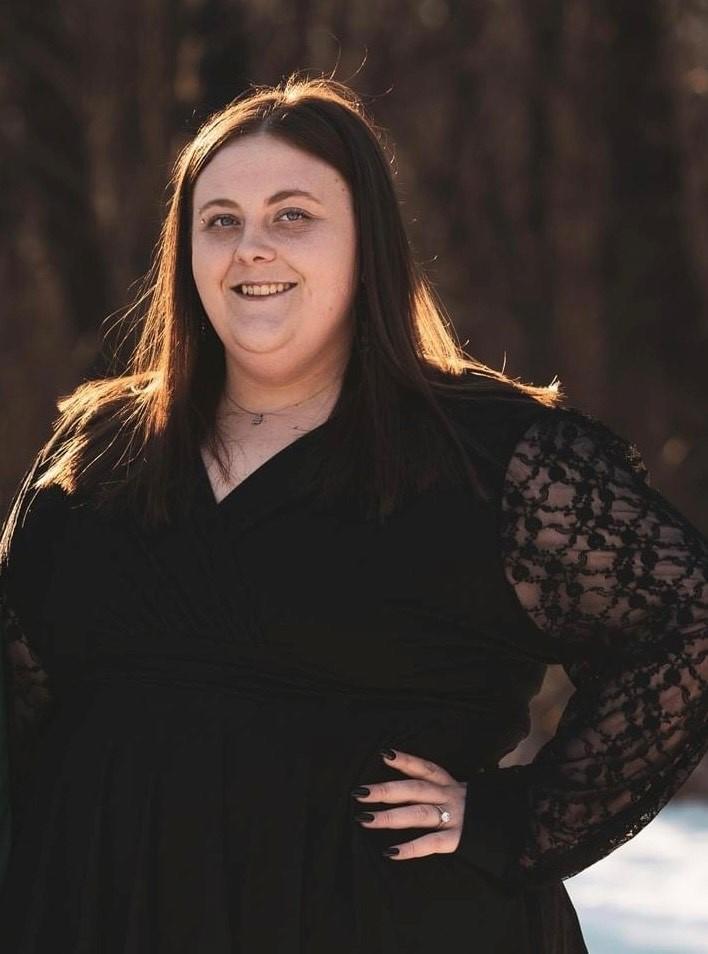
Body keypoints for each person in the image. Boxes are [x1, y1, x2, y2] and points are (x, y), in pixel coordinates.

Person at [0, 73, 706, 954]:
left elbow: (689, 622)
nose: (250, 247)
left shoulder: (491, 455)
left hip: (384, 922)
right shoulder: (97, 452)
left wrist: (516, 817)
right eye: (219, 221)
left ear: (369, 242)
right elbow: (20, 689)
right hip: (104, 911)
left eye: (292, 215)